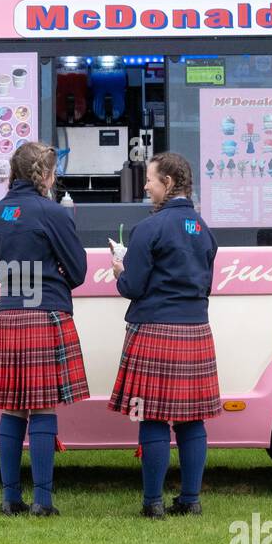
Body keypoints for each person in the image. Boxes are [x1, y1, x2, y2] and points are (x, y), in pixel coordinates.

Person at [109, 153, 221, 518]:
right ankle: (191, 500)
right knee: (192, 420)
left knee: (152, 417)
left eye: (151, 180)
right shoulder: (203, 228)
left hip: (155, 328)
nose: (145, 186)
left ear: (169, 183)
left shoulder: (149, 229)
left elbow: (133, 286)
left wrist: (119, 270)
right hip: (195, 328)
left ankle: (152, 503)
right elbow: (205, 281)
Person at [0, 142, 89, 517]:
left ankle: (10, 498)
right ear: (44, 175)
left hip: (11, 313)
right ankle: (42, 502)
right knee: (43, 408)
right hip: (45, 312)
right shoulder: (52, 212)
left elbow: (1, 257)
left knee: (12, 408)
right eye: (52, 173)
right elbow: (77, 271)